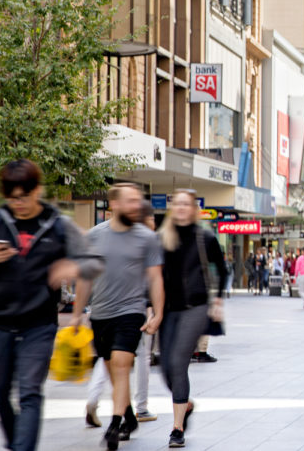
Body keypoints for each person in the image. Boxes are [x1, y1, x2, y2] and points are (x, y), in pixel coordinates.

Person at [0, 160, 105, 451]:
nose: (19, 204)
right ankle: (18, 443)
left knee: (29, 392)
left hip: (38, 325)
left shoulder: (58, 224)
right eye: (13, 198)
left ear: (37, 190)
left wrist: (72, 267)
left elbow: (95, 262)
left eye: (24, 196)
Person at [72, 184, 164, 449]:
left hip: (131, 312)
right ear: (113, 205)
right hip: (100, 314)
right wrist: (77, 315)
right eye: (129, 201)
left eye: (138, 201)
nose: (136, 206)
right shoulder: (93, 236)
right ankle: (129, 415)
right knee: (113, 369)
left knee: (122, 365)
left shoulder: (147, 238)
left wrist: (157, 312)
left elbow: (155, 278)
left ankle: (115, 425)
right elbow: (85, 279)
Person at [157, 189, 227, 448]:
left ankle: (177, 428)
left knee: (178, 362)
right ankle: (185, 404)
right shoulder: (162, 238)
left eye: (187, 204)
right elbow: (154, 276)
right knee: (165, 369)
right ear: (173, 208)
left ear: (194, 209)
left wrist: (217, 300)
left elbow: (221, 268)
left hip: (195, 307)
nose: (182, 208)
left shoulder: (205, 237)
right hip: (168, 309)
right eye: (178, 204)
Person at [86, 203, 161, 429]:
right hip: (134, 311)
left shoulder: (113, 237)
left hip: (108, 309)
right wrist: (154, 310)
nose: (152, 225)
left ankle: (100, 402)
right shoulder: (143, 240)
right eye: (151, 220)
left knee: (110, 360)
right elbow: (152, 279)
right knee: (135, 360)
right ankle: (139, 407)